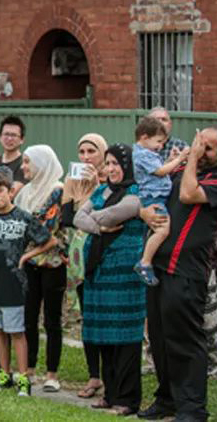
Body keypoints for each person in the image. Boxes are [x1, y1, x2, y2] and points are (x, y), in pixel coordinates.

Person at [139, 128, 217, 422]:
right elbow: (148, 194)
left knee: (185, 340)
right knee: (159, 339)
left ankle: (192, 408)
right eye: (201, 145)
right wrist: (144, 213)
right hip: (158, 266)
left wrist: (193, 158)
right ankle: (167, 399)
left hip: (186, 270)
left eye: (209, 149)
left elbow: (187, 194)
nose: (203, 152)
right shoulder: (183, 168)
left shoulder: (210, 178)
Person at [73, 143, 146, 416]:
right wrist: (100, 226)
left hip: (125, 273)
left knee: (125, 336)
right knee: (104, 335)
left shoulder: (137, 192)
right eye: (109, 164)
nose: (112, 169)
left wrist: (96, 221)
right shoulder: (102, 190)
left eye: (117, 164)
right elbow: (79, 217)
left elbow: (115, 213)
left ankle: (128, 399)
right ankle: (110, 393)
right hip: (99, 272)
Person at [0, 171, 57, 397]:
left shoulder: (23, 217)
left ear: (10, 191)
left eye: (0, 191)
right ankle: (5, 374)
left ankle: (24, 378)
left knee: (17, 332)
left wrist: (26, 257)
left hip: (15, 284)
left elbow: (50, 240)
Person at [60, 133, 108, 399]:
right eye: (82, 152)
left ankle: (110, 374)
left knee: (105, 312)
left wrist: (97, 185)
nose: (87, 157)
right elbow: (68, 219)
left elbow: (107, 215)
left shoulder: (109, 178)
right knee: (88, 316)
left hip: (102, 252)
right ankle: (94, 375)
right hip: (78, 255)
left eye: (92, 152)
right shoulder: (72, 181)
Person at [14, 145, 66, 392]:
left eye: (28, 162)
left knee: (52, 319)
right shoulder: (25, 192)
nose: (24, 167)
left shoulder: (57, 189)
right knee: (29, 316)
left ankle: (52, 373)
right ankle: (29, 368)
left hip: (52, 262)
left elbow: (46, 230)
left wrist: (25, 249)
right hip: (29, 263)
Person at [132, 116, 190, 286]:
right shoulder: (142, 154)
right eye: (158, 141)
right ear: (144, 137)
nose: (161, 146)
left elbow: (158, 170)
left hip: (157, 195)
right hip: (154, 198)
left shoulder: (148, 153)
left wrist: (170, 160)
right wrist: (180, 159)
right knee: (162, 230)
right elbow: (160, 172)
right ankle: (144, 262)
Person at [0, 115, 28, 194]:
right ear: (0, 137)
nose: (9, 138)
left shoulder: (24, 164)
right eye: (6, 134)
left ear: (22, 140)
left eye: (14, 135)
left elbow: (11, 193)